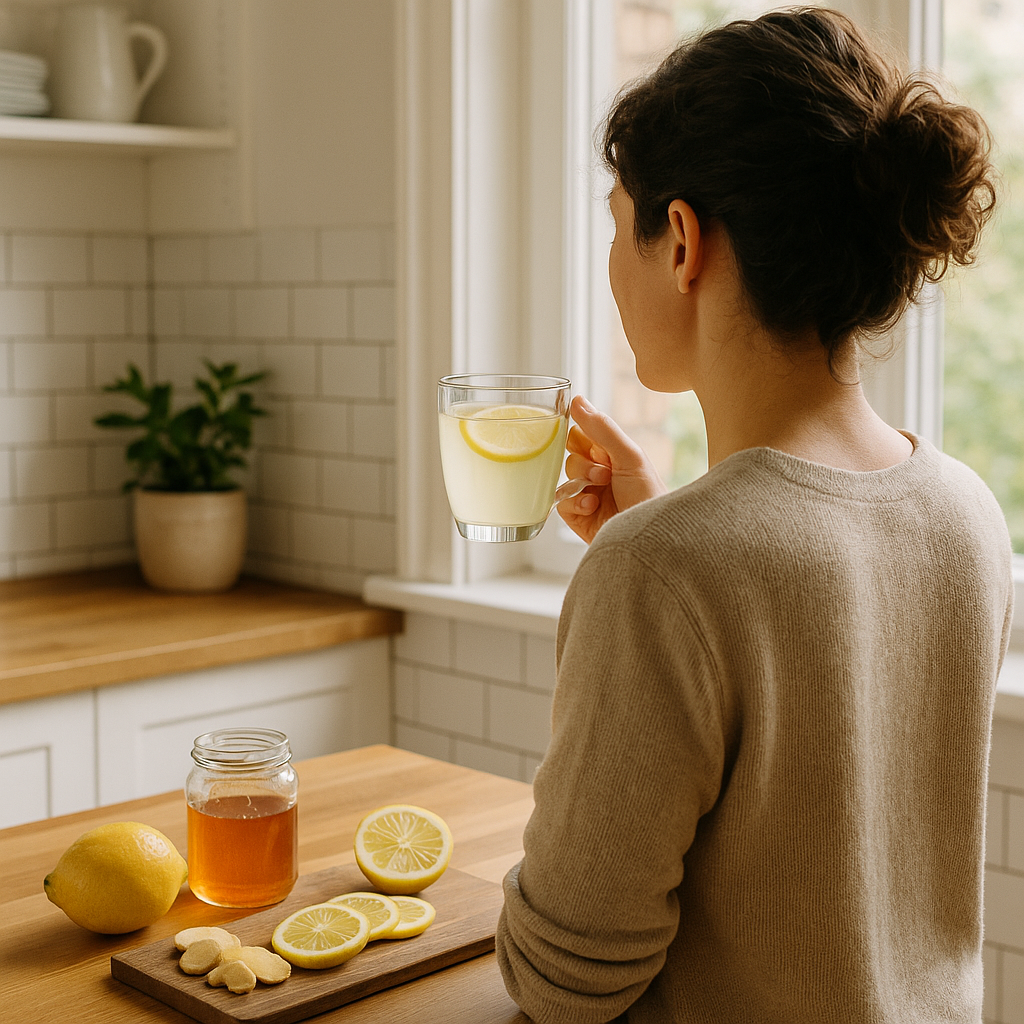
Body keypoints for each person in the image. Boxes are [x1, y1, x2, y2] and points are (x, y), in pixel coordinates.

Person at [495, 8, 1015, 1023]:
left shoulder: (667, 571)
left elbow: (567, 981)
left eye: (617, 224)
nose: (611, 264)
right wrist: (656, 535)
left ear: (681, 239)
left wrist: (652, 560)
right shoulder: (965, 510)